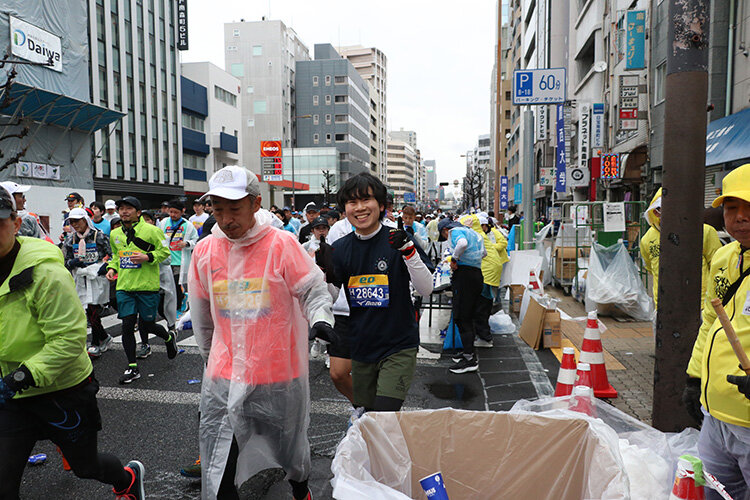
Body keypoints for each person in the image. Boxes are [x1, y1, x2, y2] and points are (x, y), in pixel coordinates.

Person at [188, 165, 334, 500]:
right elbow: (203, 316)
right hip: (225, 376)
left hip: (278, 375)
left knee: (285, 457)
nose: (226, 219)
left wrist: (321, 319)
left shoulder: (281, 245)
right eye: (218, 209)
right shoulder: (206, 251)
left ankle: (300, 490)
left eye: (234, 209)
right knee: (223, 462)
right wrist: (211, 360)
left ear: (255, 204)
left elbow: (312, 290)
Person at [0, 185, 146, 499]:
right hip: (12, 395)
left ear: (14, 222)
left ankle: (128, 479)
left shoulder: (46, 273)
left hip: (62, 391)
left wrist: (18, 378)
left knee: (86, 467)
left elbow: (67, 340)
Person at [331, 173, 433, 413]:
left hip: (397, 345)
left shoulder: (398, 240)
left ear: (381, 205)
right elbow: (332, 295)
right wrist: (325, 271)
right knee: (369, 415)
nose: (360, 208)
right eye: (352, 202)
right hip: (362, 346)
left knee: (384, 414)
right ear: (344, 208)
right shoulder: (341, 248)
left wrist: (407, 250)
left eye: (366, 200)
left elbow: (426, 288)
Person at [684, 163, 750, 500]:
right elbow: (710, 322)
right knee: (717, 495)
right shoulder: (725, 257)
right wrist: (695, 379)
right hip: (715, 417)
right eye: (731, 208)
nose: (740, 217)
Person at [106, 196, 178, 384]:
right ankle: (132, 367)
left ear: (138, 212)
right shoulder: (115, 235)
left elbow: (165, 253)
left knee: (147, 324)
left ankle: (168, 337)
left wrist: (147, 257)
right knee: (127, 325)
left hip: (147, 287)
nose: (124, 212)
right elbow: (116, 256)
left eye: (129, 208)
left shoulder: (153, 231)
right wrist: (111, 268)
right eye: (121, 208)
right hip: (125, 287)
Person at [640, 188, 722, 309]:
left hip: (701, 305)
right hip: (664, 305)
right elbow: (650, 268)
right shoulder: (647, 239)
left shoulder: (705, 232)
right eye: (669, 208)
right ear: (656, 212)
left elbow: (718, 266)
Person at [62, 208, 113, 358]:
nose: (75, 224)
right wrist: (72, 262)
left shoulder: (99, 236)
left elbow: (112, 254)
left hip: (96, 277)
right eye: (72, 221)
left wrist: (106, 266)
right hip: (80, 278)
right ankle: (103, 337)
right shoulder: (70, 240)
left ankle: (96, 342)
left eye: (77, 220)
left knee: (93, 308)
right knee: (87, 310)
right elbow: (64, 260)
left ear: (85, 220)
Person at [438, 216, 486, 373]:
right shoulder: (472, 232)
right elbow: (483, 253)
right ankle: (467, 352)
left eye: (444, 235)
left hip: (465, 277)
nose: (446, 238)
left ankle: (469, 359)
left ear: (445, 230)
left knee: (462, 316)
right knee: (468, 315)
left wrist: (455, 259)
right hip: (476, 275)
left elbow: (462, 244)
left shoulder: (455, 232)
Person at [460, 213, 509, 347]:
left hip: (487, 273)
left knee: (481, 306)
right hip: (489, 271)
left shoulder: (475, 236)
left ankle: (485, 338)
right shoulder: (479, 234)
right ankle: (483, 335)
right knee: (483, 304)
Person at [141, 210, 178, 350]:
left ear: (153, 221)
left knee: (165, 308)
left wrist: (148, 256)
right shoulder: (133, 236)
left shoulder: (161, 236)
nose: (145, 223)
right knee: (143, 315)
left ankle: (171, 328)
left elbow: (167, 259)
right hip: (143, 279)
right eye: (142, 220)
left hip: (162, 278)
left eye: (148, 219)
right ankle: (145, 344)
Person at [159, 199, 198, 314]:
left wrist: (186, 244)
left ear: (182, 211)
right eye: (170, 212)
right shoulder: (163, 223)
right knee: (166, 286)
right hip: (166, 260)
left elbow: (195, 240)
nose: (172, 215)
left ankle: (178, 305)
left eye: (175, 212)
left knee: (176, 285)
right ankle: (170, 306)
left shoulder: (188, 226)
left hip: (179, 261)